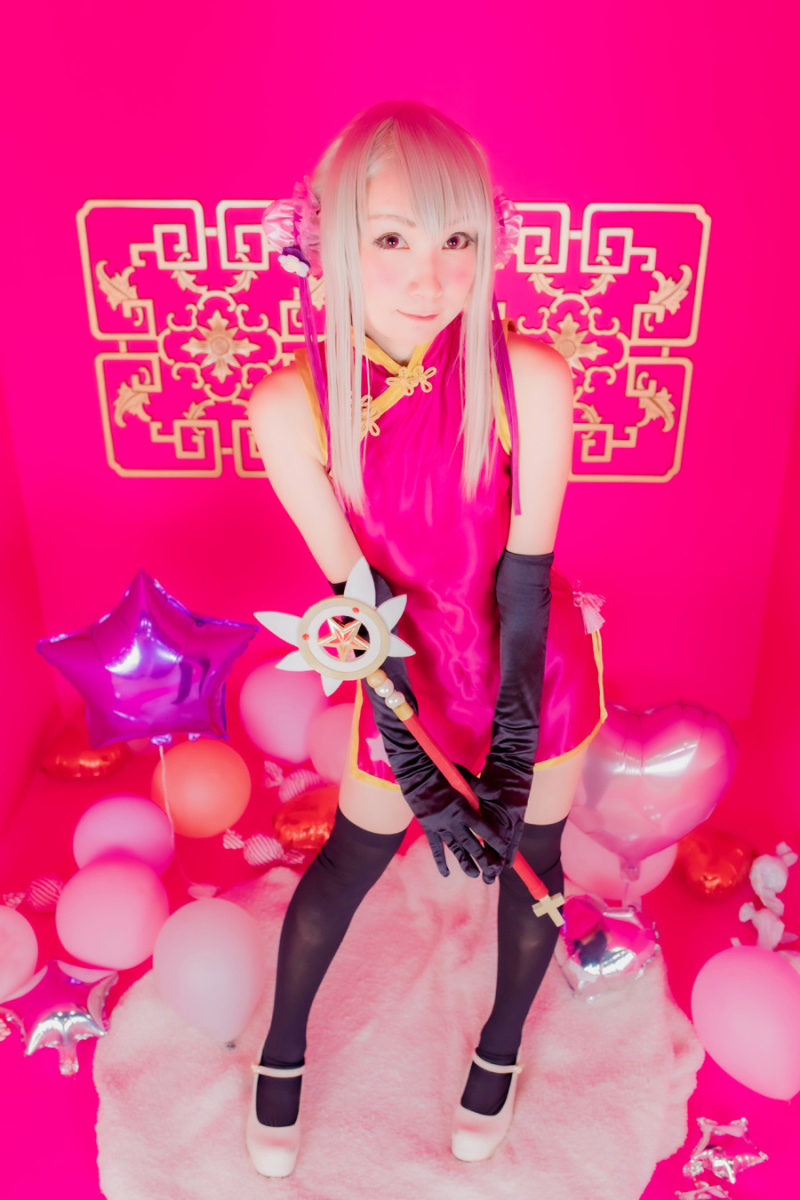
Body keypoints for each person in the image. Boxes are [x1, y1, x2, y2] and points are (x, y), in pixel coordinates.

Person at [245, 99, 606, 1177]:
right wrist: (411, 750)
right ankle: (281, 1047)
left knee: (532, 861)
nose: (431, 274)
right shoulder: (291, 404)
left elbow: (525, 579)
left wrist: (510, 741)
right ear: (329, 241)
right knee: (352, 857)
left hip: (531, 666)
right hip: (401, 664)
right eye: (392, 238)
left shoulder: (528, 375)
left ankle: (499, 1050)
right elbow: (354, 596)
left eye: (456, 239)